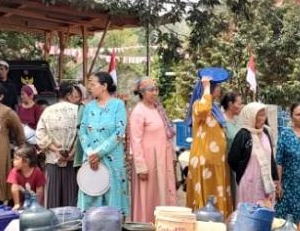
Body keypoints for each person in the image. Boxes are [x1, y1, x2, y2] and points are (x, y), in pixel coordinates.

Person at [78, 72, 129, 215]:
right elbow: (82, 131)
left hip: (112, 159)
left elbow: (119, 132)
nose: (89, 87)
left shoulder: (118, 105)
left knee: (112, 197)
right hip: (90, 159)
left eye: (92, 84)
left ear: (104, 86)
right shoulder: (88, 107)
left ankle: (114, 227)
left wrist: (99, 152)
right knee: (91, 192)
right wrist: (90, 152)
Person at [128, 78, 177, 223]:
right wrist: (141, 166)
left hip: (162, 159)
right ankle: (146, 227)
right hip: (148, 162)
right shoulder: (138, 111)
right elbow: (135, 141)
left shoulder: (158, 109)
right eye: (151, 90)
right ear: (142, 93)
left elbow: (167, 136)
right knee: (148, 195)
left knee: (162, 192)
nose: (155, 93)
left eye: (156, 89)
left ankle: (163, 226)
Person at [185, 75, 231, 216]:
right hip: (204, 161)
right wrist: (206, 86)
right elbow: (204, 109)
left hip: (216, 162)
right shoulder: (198, 105)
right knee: (206, 199)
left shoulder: (215, 109)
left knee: (217, 194)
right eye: (217, 87)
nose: (219, 89)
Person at [35, 82, 81, 208]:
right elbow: (82, 136)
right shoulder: (78, 111)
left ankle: (53, 221)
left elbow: (40, 135)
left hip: (52, 160)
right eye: (74, 94)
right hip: (72, 162)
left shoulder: (48, 111)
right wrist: (72, 152)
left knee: (52, 200)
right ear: (68, 95)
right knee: (71, 199)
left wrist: (55, 149)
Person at [228, 101, 278, 208]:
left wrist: (276, 179)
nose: (262, 118)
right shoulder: (243, 135)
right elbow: (232, 159)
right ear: (250, 116)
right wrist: (245, 173)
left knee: (265, 212)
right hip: (248, 183)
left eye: (263, 115)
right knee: (248, 212)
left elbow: (271, 158)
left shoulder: (266, 132)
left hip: (265, 184)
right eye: (258, 115)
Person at [221, 92, 243, 210]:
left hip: (238, 166)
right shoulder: (221, 122)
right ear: (230, 104)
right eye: (238, 103)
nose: (240, 106)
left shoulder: (238, 121)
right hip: (226, 164)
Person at [8, 145, 46, 210]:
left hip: (34, 203)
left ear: (26, 161)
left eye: (16, 159)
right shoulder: (14, 171)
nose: (13, 161)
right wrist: (17, 204)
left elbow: (40, 191)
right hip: (20, 203)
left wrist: (38, 204)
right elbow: (14, 188)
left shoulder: (37, 172)